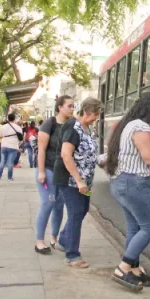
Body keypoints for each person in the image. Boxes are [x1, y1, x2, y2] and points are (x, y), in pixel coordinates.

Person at [106, 92, 150, 292]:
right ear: (149, 109)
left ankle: (135, 269)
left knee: (134, 228)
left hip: (123, 182)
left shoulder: (128, 124)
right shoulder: (141, 127)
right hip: (134, 183)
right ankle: (123, 268)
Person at [53, 97, 103, 268]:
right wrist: (79, 180)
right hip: (71, 182)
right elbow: (66, 155)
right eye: (95, 115)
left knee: (83, 209)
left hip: (85, 183)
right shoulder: (72, 127)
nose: (96, 118)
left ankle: (64, 240)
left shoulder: (87, 128)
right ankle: (72, 255)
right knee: (75, 212)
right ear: (87, 112)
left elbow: (88, 153)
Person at [34, 96, 74, 254]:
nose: (72, 109)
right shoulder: (49, 124)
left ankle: (54, 238)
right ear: (60, 108)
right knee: (48, 203)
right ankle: (39, 241)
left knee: (59, 205)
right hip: (48, 170)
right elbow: (41, 149)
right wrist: (41, 171)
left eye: (73, 106)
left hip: (62, 172)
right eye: (69, 106)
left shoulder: (71, 125)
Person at [0, 113, 23, 181]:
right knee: (10, 162)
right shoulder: (18, 127)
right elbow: (21, 138)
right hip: (13, 146)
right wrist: (18, 145)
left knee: (2, 161)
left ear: (8, 119)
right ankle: (9, 177)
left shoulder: (3, 127)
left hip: (4, 145)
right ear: (14, 119)